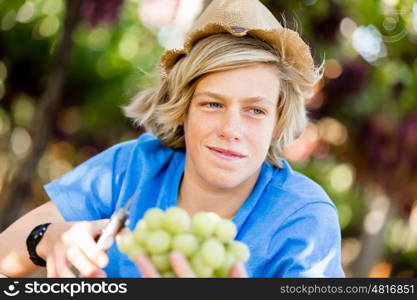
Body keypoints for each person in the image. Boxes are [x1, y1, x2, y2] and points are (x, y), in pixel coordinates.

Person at [0, 0, 345, 278]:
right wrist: (44, 240)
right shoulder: (132, 166)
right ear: (182, 110)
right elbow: (5, 252)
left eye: (255, 110)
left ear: (277, 121)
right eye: (213, 104)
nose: (231, 129)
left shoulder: (304, 217)